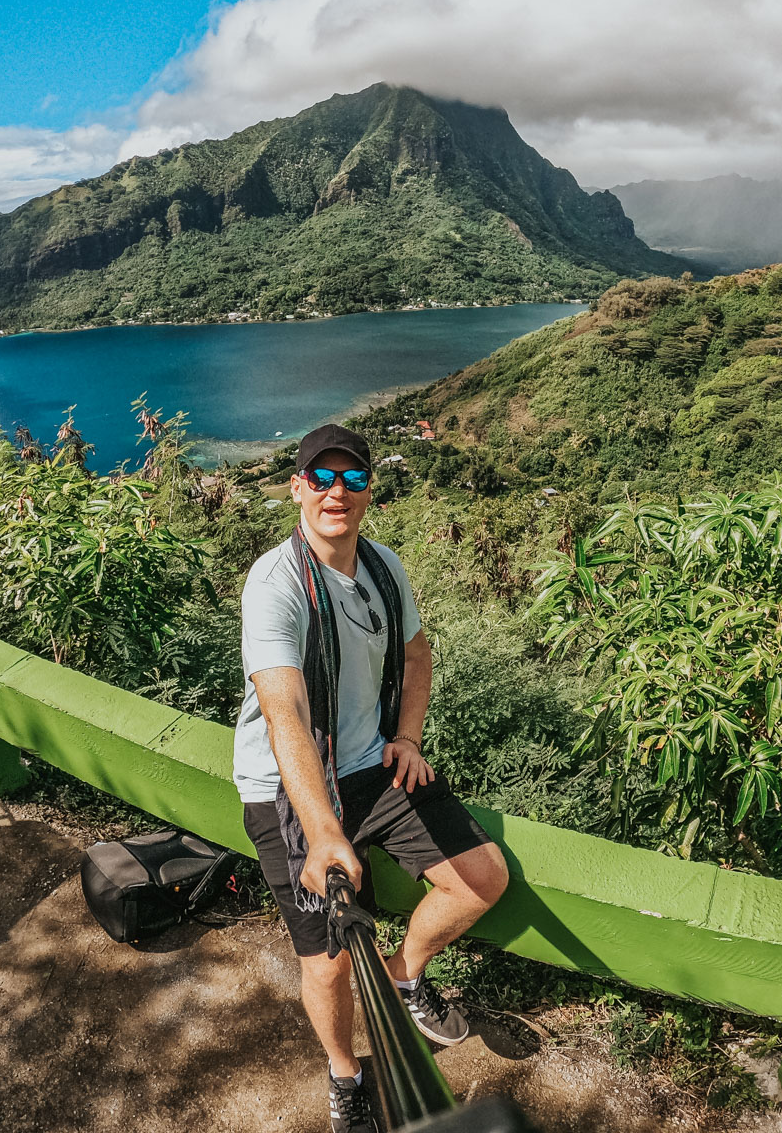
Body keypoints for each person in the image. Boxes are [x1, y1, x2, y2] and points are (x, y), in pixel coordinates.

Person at [234, 423, 509, 1133]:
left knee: (481, 876)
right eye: (320, 478)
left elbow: (416, 653)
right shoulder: (277, 581)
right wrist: (323, 830)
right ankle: (345, 1075)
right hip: (288, 786)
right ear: (296, 487)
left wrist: (408, 737)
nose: (336, 492)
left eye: (352, 479)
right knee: (326, 963)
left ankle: (403, 973)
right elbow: (283, 709)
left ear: (368, 492)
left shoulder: (384, 567)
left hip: (371, 763)